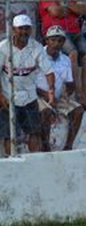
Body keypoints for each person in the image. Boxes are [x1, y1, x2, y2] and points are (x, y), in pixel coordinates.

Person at [39, 0, 86, 109]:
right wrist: (73, 8)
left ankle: (84, 94)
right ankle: (76, 92)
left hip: (74, 31)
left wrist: (66, 5)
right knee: (73, 53)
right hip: (56, 31)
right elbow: (55, 12)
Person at [0, 14, 56, 156]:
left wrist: (51, 91)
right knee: (9, 135)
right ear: (13, 29)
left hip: (29, 97)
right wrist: (0, 96)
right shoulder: (3, 48)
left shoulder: (36, 48)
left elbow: (49, 72)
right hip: (8, 97)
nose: (24, 32)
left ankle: (34, 161)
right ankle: (9, 162)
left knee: (34, 132)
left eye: (27, 29)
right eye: (21, 29)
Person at [37, 26, 85, 151]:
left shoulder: (65, 59)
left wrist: (67, 93)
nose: (56, 44)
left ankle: (68, 146)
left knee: (78, 110)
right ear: (46, 40)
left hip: (57, 97)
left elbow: (69, 83)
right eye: (53, 40)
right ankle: (45, 146)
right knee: (46, 112)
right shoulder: (37, 56)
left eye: (60, 41)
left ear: (63, 42)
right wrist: (47, 95)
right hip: (38, 95)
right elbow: (30, 83)